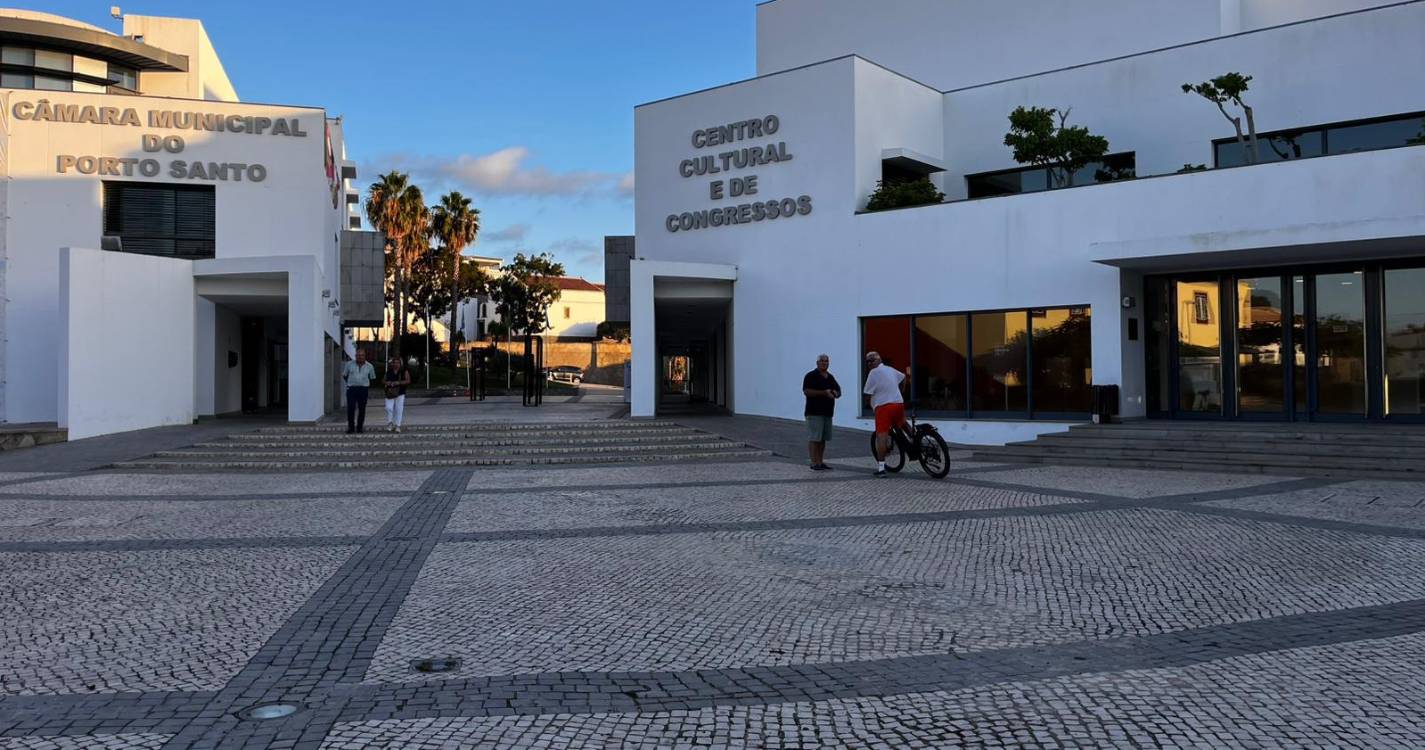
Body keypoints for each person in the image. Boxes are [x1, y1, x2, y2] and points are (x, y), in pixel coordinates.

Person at [862, 350, 908, 477]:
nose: (870, 363)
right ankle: (915, 441)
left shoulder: (873, 373)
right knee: (903, 423)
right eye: (868, 361)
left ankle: (881, 469)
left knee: (881, 436)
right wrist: (901, 392)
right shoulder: (890, 369)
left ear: (879, 360)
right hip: (898, 403)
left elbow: (867, 393)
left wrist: (867, 401)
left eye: (872, 360)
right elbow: (903, 377)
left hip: (883, 407)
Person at [802, 353, 841, 471]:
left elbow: (838, 390)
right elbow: (807, 391)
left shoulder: (830, 377)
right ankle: (814, 462)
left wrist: (835, 393)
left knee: (823, 439)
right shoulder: (811, 376)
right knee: (815, 438)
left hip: (827, 413)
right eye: (822, 361)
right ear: (817, 363)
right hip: (814, 412)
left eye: (826, 361)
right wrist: (824, 393)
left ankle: (820, 461)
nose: (825, 363)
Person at [342, 348, 377, 434]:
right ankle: (351, 428)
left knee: (362, 409)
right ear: (355, 356)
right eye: (358, 355)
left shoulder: (370, 366)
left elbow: (372, 378)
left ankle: (359, 427)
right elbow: (345, 375)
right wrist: (351, 382)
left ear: (365, 356)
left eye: (362, 355)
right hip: (351, 389)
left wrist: (364, 384)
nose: (360, 357)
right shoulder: (349, 364)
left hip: (363, 389)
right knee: (351, 408)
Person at [383, 355, 412, 433]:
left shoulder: (404, 371)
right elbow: (383, 380)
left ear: (400, 363)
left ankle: (398, 426)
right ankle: (390, 423)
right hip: (390, 393)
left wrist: (398, 382)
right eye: (394, 363)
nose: (396, 364)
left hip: (400, 392)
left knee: (399, 409)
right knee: (389, 408)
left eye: (398, 363)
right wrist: (387, 383)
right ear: (392, 363)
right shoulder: (389, 371)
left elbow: (408, 380)